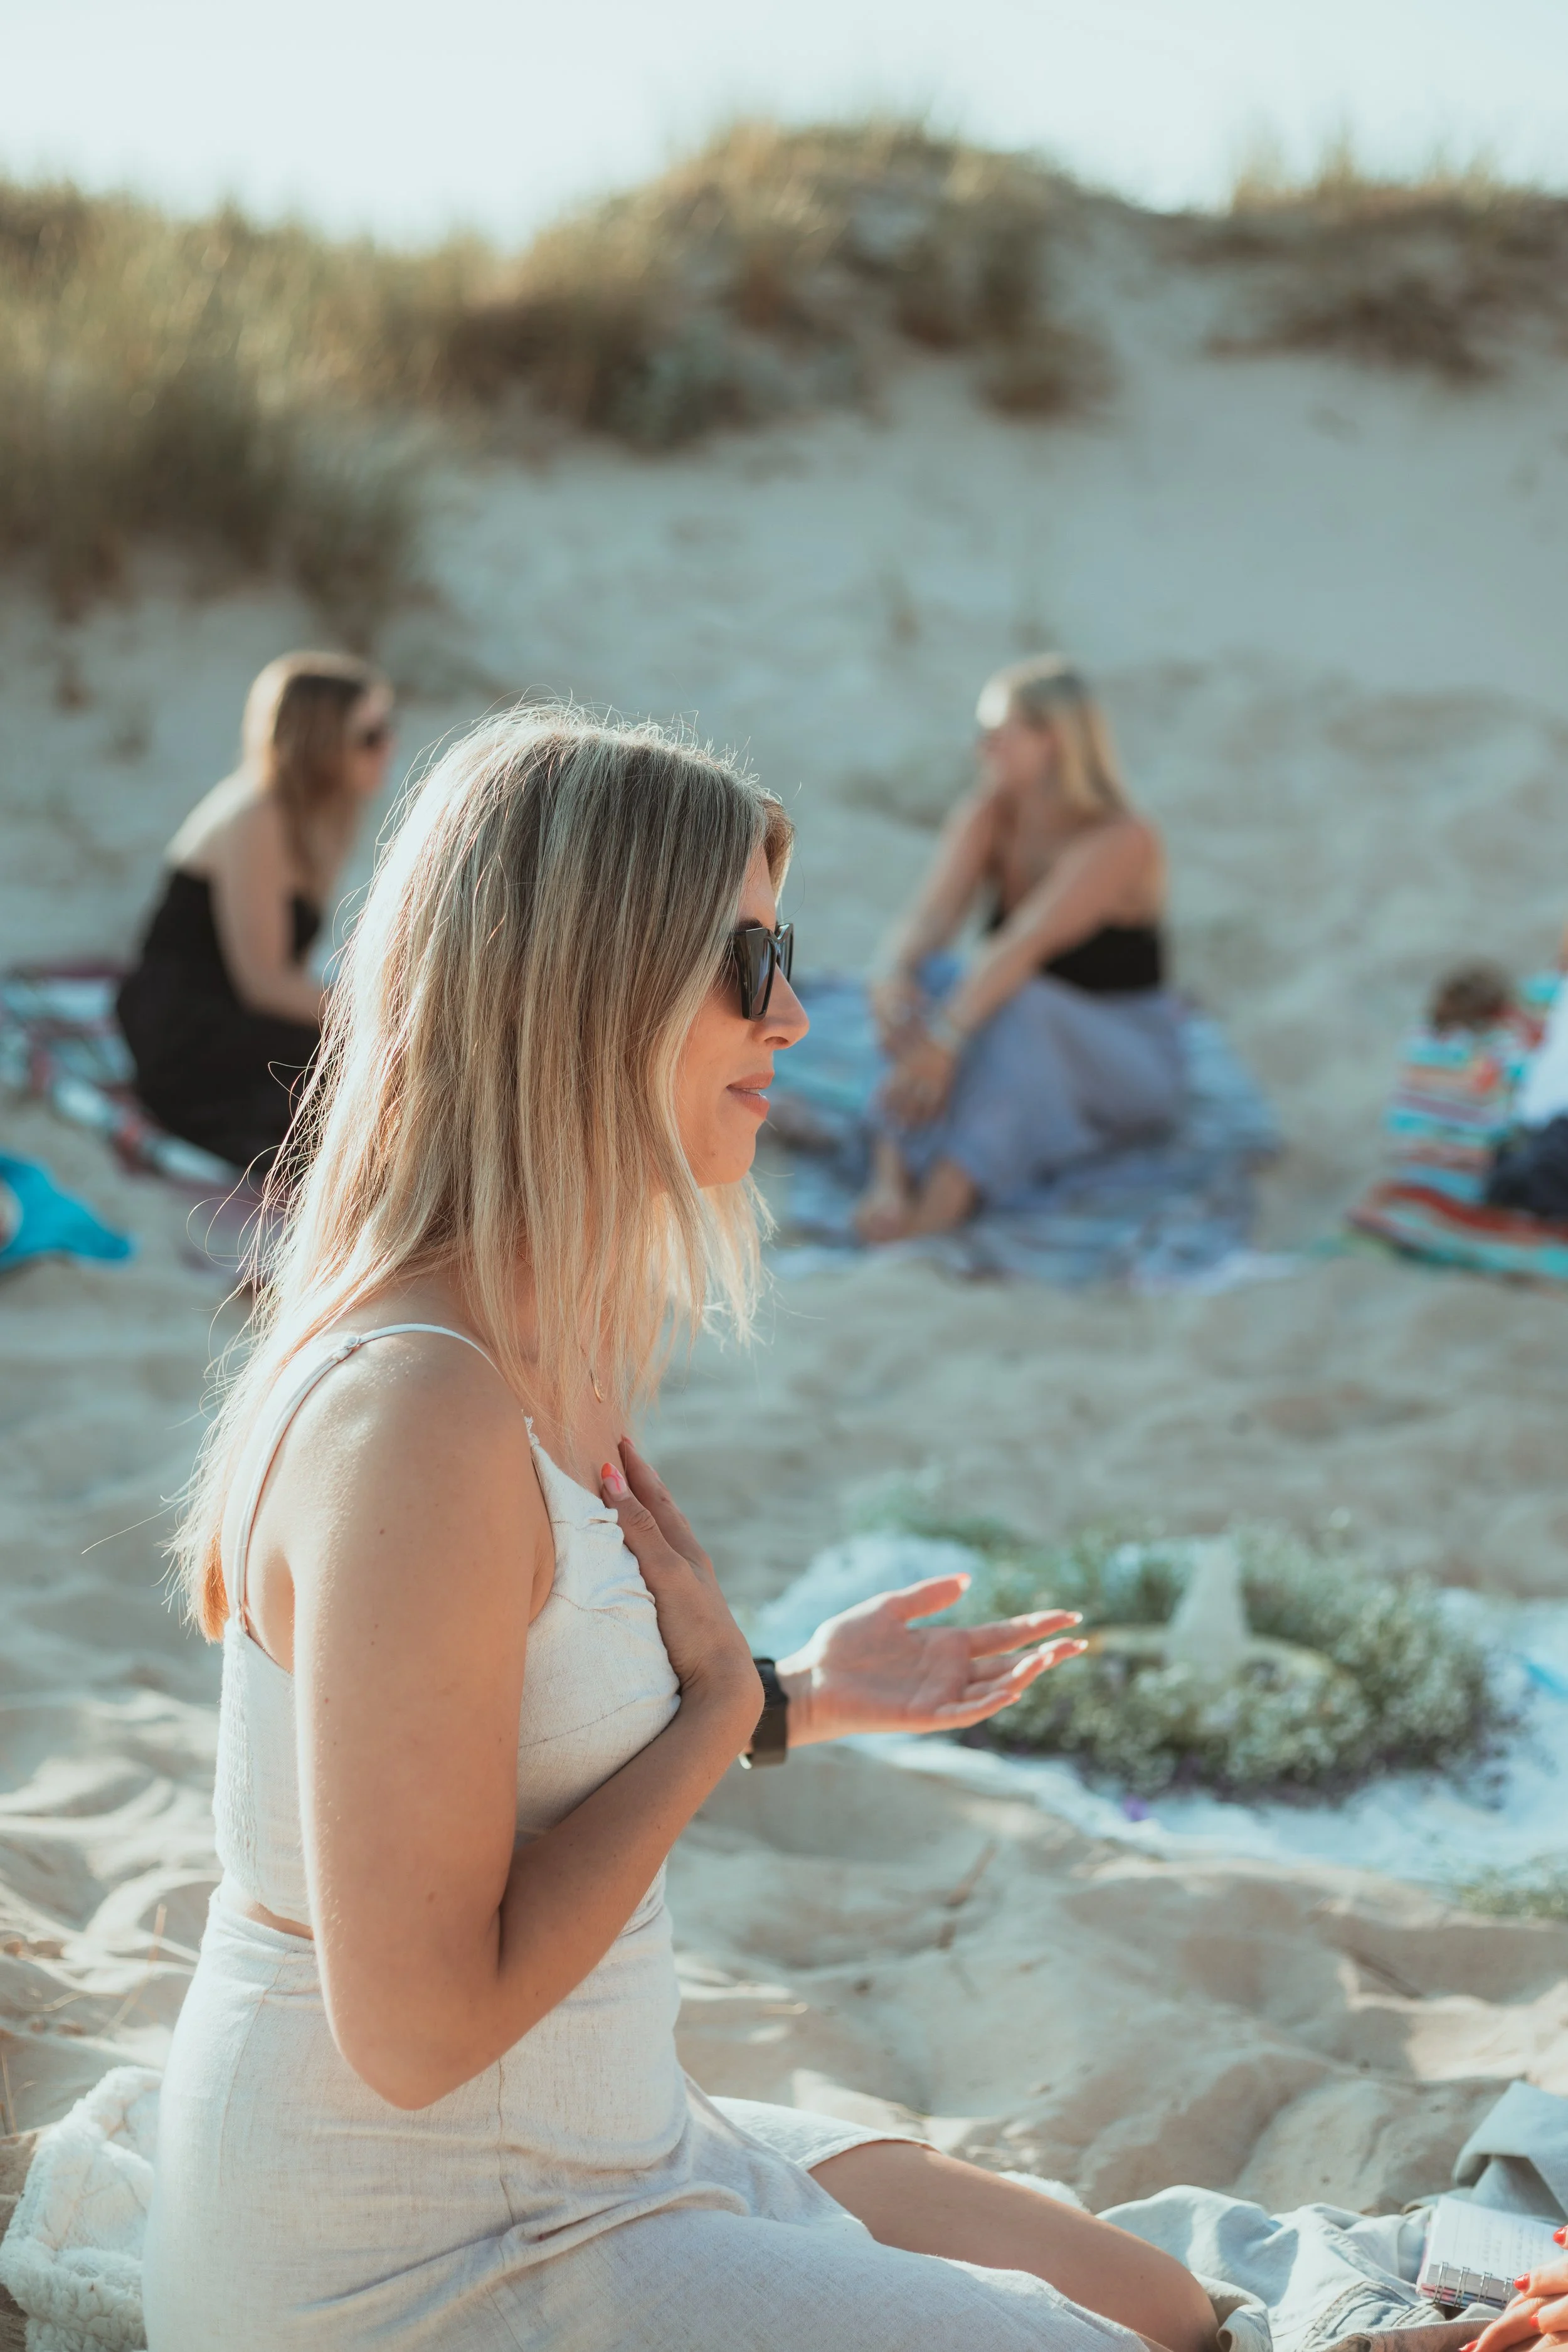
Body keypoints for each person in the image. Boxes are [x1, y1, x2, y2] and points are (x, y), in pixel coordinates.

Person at [142, 710, 1217, 2352]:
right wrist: (718, 1715)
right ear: (589, 982)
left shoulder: (542, 1335)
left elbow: (504, 1735)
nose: (791, 1011)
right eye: (747, 959)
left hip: (604, 2132)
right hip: (414, 2248)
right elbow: (417, 2033)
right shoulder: (418, 1414)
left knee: (1163, 2306)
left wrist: (797, 1693)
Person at [857, 655, 1182, 1242]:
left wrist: (947, 1039)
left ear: (1052, 740)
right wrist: (893, 974)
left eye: (997, 732)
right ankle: (890, 1178)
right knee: (930, 982)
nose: (981, 747)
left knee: (1015, 1008)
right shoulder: (988, 813)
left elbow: (1028, 941)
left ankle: (944, 1201)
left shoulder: (1123, 837)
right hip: (1018, 1017)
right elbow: (929, 918)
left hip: (1123, 1051)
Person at [116, 651, 396, 1174]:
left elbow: (293, 965)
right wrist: (384, 1014)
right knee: (368, 1078)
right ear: (320, 742)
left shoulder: (325, 814)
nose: (389, 747)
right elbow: (264, 983)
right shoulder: (257, 814)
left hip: (242, 1014)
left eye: (387, 728)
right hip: (189, 1025)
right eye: (370, 736)